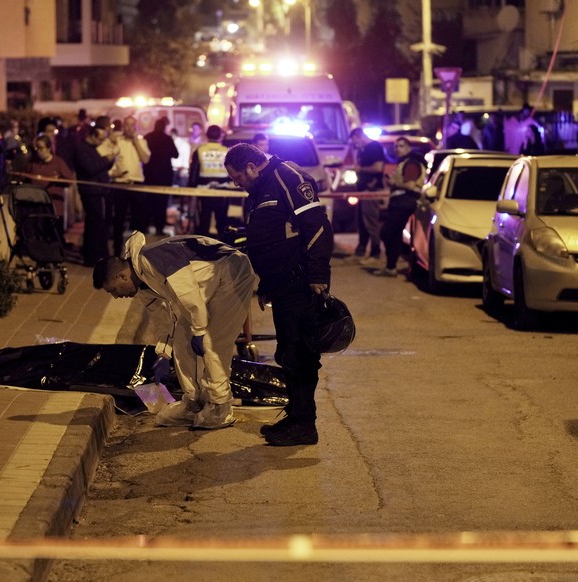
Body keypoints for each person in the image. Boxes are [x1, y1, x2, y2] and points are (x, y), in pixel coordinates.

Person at [224, 143, 333, 446]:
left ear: (251, 166)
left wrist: (318, 276)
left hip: (301, 284)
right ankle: (296, 416)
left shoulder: (287, 177)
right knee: (288, 352)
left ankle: (304, 424)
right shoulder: (261, 188)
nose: (238, 184)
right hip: (282, 285)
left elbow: (317, 227)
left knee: (301, 354)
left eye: (238, 178)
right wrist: (267, 285)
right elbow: (272, 238)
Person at [92, 231, 256, 429]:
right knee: (183, 338)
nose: (116, 297)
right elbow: (165, 321)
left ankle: (219, 407)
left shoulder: (155, 260)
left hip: (234, 274)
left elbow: (189, 294)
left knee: (212, 342)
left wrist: (200, 330)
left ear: (122, 276)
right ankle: (195, 402)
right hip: (212, 284)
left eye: (114, 290)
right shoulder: (143, 284)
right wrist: (164, 353)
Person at [374, 137, 426, 277]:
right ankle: (391, 267)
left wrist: (393, 183)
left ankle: (392, 265)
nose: (397, 149)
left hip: (404, 202)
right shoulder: (404, 162)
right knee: (395, 235)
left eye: (401, 146)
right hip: (400, 202)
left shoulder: (411, 163)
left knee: (386, 232)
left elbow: (410, 185)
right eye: (396, 146)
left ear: (408, 148)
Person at [100, 116, 151, 256]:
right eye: (127, 125)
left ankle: (137, 251)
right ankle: (117, 250)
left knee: (138, 220)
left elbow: (145, 159)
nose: (129, 128)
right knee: (119, 219)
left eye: (132, 125)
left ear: (136, 127)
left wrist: (136, 142)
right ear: (123, 126)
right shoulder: (117, 141)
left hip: (137, 184)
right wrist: (112, 173)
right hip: (120, 184)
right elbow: (104, 156)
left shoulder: (141, 141)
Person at [72, 124, 116, 266]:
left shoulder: (91, 149)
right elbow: (90, 168)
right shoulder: (81, 149)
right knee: (94, 223)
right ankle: (91, 256)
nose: (101, 142)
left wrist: (110, 160)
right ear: (92, 136)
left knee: (99, 223)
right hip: (90, 191)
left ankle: (99, 253)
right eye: (100, 139)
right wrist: (106, 160)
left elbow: (100, 167)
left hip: (99, 191)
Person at [349, 127, 385, 264]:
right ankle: (361, 250)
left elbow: (378, 168)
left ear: (359, 136)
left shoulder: (374, 147)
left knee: (371, 222)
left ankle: (375, 253)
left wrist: (360, 169)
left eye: (355, 141)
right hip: (363, 190)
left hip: (371, 190)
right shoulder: (363, 150)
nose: (355, 144)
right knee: (362, 222)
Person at [189, 124, 231, 236]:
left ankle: (203, 248)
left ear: (207, 135)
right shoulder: (226, 151)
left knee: (204, 222)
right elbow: (231, 171)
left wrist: (189, 190)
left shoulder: (200, 150)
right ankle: (223, 247)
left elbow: (194, 172)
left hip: (204, 191)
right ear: (220, 136)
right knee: (222, 223)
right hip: (223, 191)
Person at [143, 116, 179, 236]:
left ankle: (146, 226)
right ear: (164, 127)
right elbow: (176, 154)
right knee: (162, 203)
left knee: (148, 202)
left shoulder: (147, 137)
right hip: (164, 175)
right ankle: (159, 227)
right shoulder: (167, 139)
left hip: (149, 175)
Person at [26, 134, 75, 220]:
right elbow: (25, 180)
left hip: (54, 207)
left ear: (48, 148)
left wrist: (58, 180)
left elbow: (70, 180)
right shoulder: (32, 163)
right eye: (36, 148)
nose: (38, 151)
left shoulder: (58, 162)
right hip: (36, 206)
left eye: (41, 148)